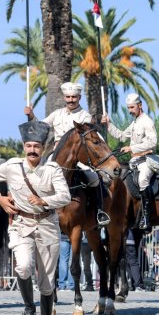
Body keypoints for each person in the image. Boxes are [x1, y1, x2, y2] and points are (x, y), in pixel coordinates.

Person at [0, 121, 71, 315]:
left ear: (43, 149)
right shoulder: (13, 166)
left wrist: (44, 200)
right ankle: (29, 307)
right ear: (24, 147)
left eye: (37, 147)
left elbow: (65, 196)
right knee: (23, 267)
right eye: (29, 146)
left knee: (47, 282)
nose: (32, 150)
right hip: (21, 225)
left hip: (47, 226)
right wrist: (0, 198)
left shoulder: (52, 169)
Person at [25, 81, 110, 226]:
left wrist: (103, 124)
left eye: (74, 97)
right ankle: (33, 208)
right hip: (55, 154)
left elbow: (95, 138)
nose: (71, 100)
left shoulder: (85, 116)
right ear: (64, 98)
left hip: (79, 157)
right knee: (36, 173)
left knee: (94, 177)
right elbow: (40, 128)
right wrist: (32, 116)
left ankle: (99, 212)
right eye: (68, 97)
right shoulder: (57, 114)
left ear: (79, 98)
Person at [102, 93, 159, 229]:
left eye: (132, 107)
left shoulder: (147, 121)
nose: (130, 111)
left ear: (140, 106)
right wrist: (109, 124)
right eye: (128, 108)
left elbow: (153, 142)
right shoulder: (135, 123)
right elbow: (121, 136)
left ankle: (147, 217)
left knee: (142, 180)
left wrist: (131, 147)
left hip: (147, 160)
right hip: (134, 161)